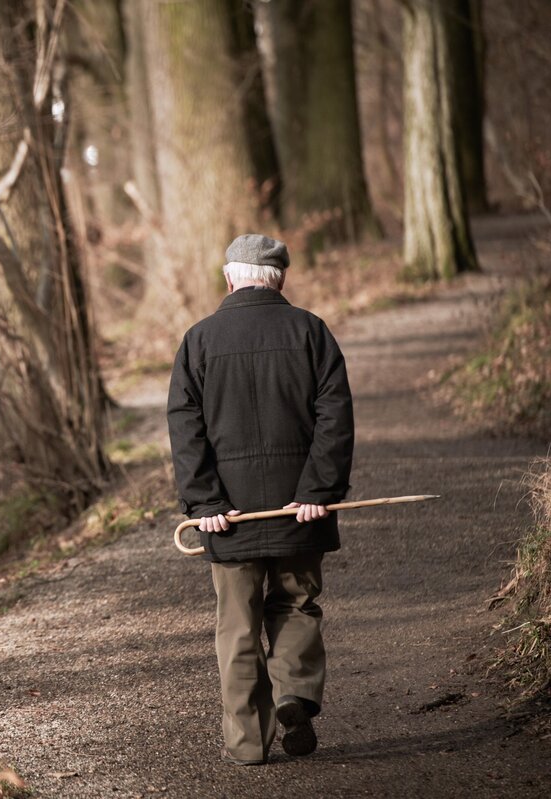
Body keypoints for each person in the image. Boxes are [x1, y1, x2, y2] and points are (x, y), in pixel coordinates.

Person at [166, 233, 355, 765]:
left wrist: (204, 503)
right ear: (281, 279)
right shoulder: (311, 332)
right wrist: (318, 490)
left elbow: (186, 428)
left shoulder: (198, 341)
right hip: (300, 510)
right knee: (295, 602)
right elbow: (334, 418)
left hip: (228, 516)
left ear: (229, 278)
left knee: (238, 626)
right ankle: (294, 691)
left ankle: (249, 744)